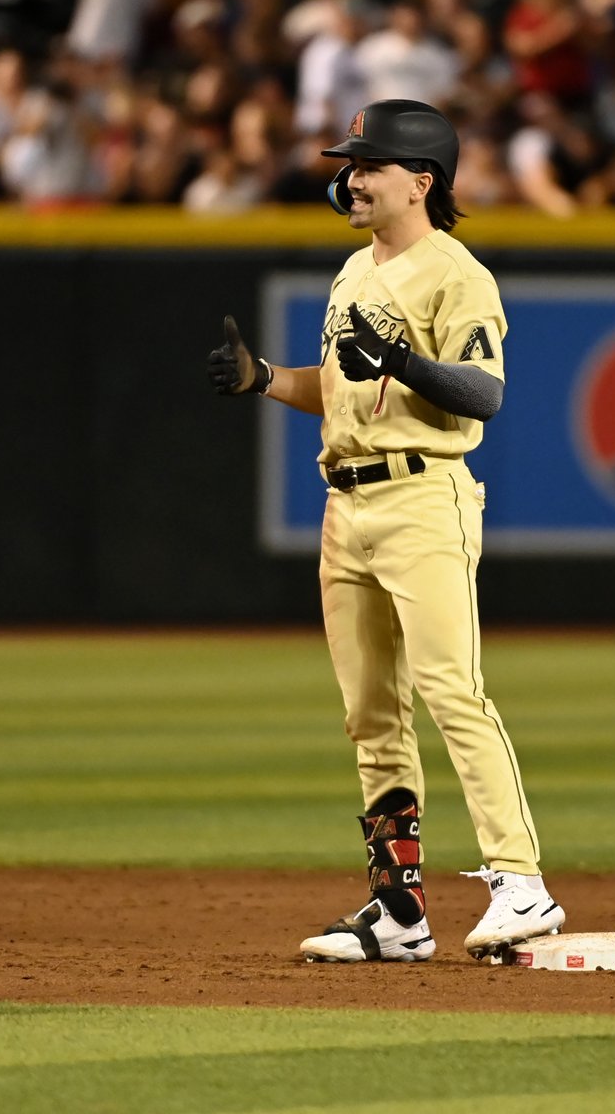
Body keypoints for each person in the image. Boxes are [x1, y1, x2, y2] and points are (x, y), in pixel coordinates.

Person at [207, 98, 565, 963]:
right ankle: (397, 911)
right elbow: (338, 389)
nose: (350, 177)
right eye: (350, 164)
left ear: (421, 181)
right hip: (346, 505)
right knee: (370, 716)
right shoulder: (354, 271)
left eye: (367, 165)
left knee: (450, 690)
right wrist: (263, 379)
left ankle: (522, 885)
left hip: (421, 498)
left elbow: (483, 394)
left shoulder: (456, 274)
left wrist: (401, 359)